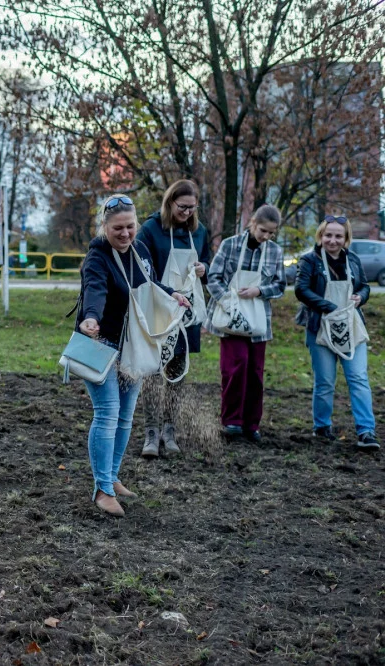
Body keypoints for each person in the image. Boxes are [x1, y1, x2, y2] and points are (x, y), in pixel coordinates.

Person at [76, 194, 188, 517]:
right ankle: (102, 490)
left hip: (131, 346)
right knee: (108, 412)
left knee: (126, 415)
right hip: (100, 344)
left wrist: (173, 294)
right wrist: (90, 317)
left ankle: (112, 477)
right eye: (117, 229)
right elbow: (94, 288)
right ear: (104, 227)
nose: (125, 234)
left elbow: (148, 285)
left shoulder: (138, 251)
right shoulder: (98, 256)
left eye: (130, 227)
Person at [134, 180, 212, 458]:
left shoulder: (199, 231)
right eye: (183, 207)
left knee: (177, 374)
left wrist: (204, 267)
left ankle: (170, 430)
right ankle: (151, 432)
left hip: (186, 314)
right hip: (158, 311)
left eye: (192, 208)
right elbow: (141, 269)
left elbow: (207, 261)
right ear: (169, 203)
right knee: (153, 373)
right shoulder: (150, 230)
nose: (188, 212)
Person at [294, 216, 378, 451]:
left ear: (346, 238)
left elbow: (364, 285)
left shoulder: (352, 260)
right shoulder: (309, 260)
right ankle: (321, 426)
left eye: (338, 236)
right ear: (321, 236)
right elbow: (301, 290)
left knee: (358, 378)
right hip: (320, 326)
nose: (333, 240)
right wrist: (328, 306)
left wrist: (361, 296)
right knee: (325, 382)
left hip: (351, 327)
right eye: (328, 235)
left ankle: (366, 431)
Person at [204, 204, 286, 442]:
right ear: (252, 223)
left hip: (258, 318)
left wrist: (259, 290)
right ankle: (232, 421)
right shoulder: (230, 245)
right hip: (231, 316)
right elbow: (214, 277)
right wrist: (228, 302)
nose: (266, 237)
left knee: (255, 372)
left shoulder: (274, 252)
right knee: (235, 367)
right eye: (263, 231)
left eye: (272, 233)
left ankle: (251, 424)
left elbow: (280, 285)